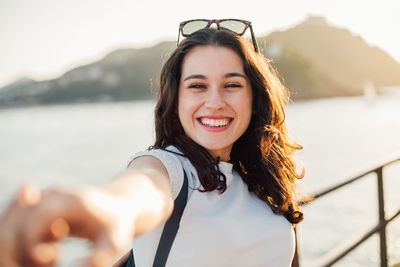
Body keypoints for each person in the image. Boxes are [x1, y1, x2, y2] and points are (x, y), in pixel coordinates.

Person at [0, 19, 304, 267]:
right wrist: (109, 208)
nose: (215, 102)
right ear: (176, 100)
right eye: (197, 85)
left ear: (255, 97)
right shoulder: (169, 169)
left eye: (232, 85)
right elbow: (140, 190)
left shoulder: (266, 179)